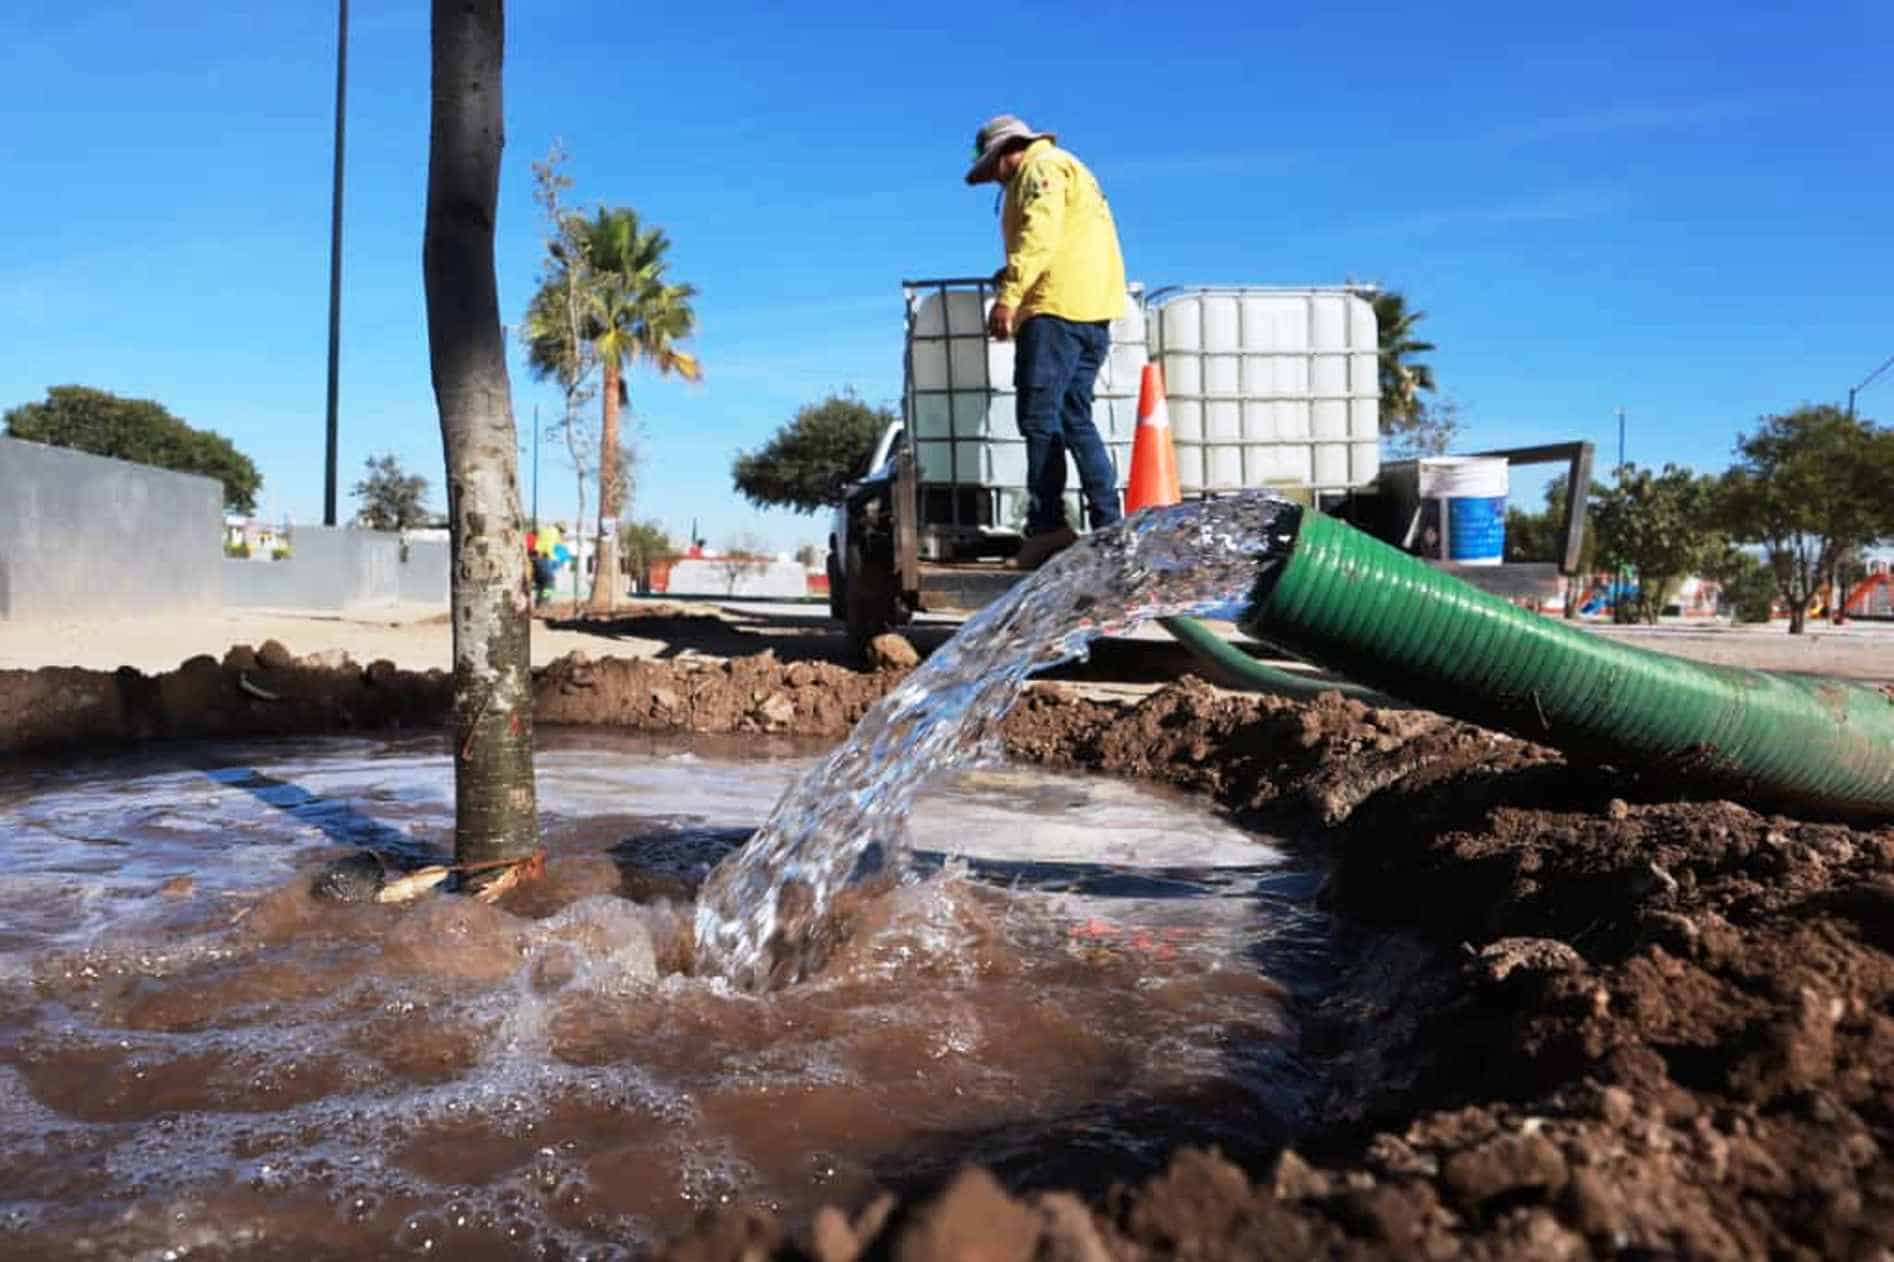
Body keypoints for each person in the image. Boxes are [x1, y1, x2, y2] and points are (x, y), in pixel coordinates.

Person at [965, 114, 1128, 569]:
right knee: (1076, 417)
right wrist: (1012, 272)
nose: (995, 178)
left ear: (1005, 151)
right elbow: (1065, 239)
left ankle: (1047, 527)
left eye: (993, 168)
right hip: (1093, 311)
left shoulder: (1041, 168)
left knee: (1038, 417)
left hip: (1054, 309)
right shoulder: (1071, 168)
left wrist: (1009, 296)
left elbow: (1040, 233)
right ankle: (1109, 524)